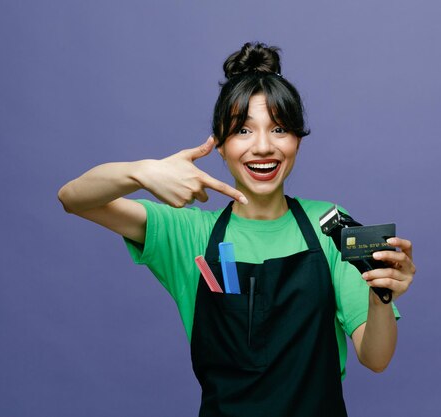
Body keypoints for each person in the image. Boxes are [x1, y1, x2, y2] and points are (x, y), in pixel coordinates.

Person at [58, 42, 415, 417]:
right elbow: (74, 198)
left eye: (279, 128)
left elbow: (376, 358)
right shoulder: (189, 235)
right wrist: (142, 172)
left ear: (296, 140)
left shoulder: (329, 224)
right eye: (243, 131)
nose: (263, 147)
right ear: (220, 145)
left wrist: (381, 297)